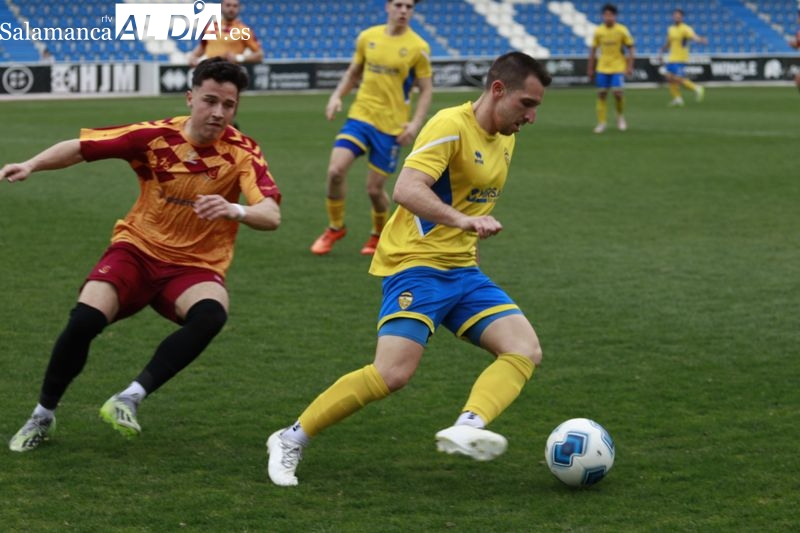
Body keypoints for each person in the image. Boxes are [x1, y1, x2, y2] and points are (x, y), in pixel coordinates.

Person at [267, 52, 552, 487]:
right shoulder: (450, 125)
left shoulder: (507, 136)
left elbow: (472, 200)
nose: (531, 116)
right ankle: (290, 438)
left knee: (524, 348)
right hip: (416, 265)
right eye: (527, 104)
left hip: (462, 269)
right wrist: (461, 221)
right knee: (392, 373)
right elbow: (405, 188)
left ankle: (469, 425)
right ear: (498, 90)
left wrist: (469, 243)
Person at [3, 58, 282, 452]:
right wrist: (31, 164)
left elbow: (271, 214)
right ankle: (42, 415)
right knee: (84, 320)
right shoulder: (153, 136)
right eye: (210, 100)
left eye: (229, 105)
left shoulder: (242, 153)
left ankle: (130, 396)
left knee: (210, 315)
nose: (218, 112)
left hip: (194, 265)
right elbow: (81, 149)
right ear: (190, 98)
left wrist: (235, 209)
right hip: (137, 249)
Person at [310, 0, 433, 256]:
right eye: (398, 5)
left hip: (391, 128)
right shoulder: (368, 37)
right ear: (388, 7)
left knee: (375, 190)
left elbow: (426, 90)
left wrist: (415, 123)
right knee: (335, 171)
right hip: (360, 116)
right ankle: (335, 227)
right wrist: (336, 96)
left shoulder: (418, 47)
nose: (403, 11)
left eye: (409, 7)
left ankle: (378, 234)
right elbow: (353, 73)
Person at [587, 3, 635, 133]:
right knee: (601, 94)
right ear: (603, 16)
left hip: (618, 66)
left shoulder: (622, 30)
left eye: (611, 15)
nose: (608, 17)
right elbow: (593, 50)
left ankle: (620, 117)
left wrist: (630, 66)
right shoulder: (599, 31)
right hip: (602, 67)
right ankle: (601, 122)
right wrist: (590, 68)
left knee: (617, 93)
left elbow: (631, 47)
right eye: (606, 15)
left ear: (615, 16)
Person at [188, 0, 263, 67]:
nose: (231, 9)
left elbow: (259, 55)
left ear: (239, 8)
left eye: (235, 6)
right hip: (210, 72)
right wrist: (192, 58)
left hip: (231, 73)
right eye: (228, 5)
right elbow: (202, 47)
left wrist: (238, 58)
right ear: (221, 7)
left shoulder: (244, 30)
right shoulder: (210, 27)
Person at [660, 9, 707, 107]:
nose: (677, 17)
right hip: (672, 57)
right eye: (675, 15)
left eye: (679, 15)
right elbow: (669, 42)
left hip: (681, 58)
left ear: (682, 17)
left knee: (678, 79)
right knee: (669, 77)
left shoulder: (686, 28)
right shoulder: (671, 29)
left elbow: (693, 36)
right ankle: (677, 98)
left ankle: (697, 88)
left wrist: (700, 40)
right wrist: (662, 50)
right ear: (673, 17)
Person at [791, 10, 800, 93]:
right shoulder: (798, 31)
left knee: (798, 79)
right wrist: (794, 44)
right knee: (798, 80)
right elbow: (797, 45)